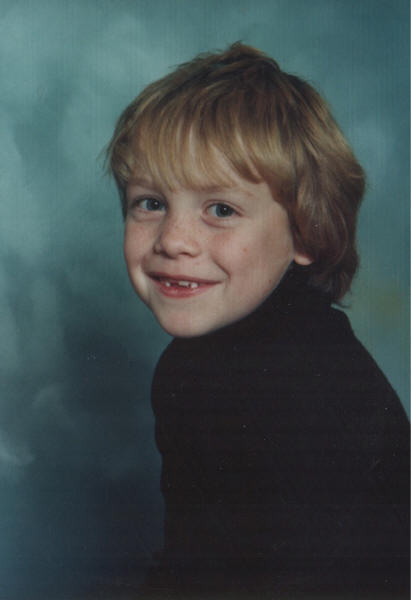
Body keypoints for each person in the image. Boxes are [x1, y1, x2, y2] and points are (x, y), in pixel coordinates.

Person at [106, 43, 409, 599]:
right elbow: (190, 563)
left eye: (220, 210)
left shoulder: (314, 389)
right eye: (150, 202)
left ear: (307, 234)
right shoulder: (187, 367)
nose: (173, 239)